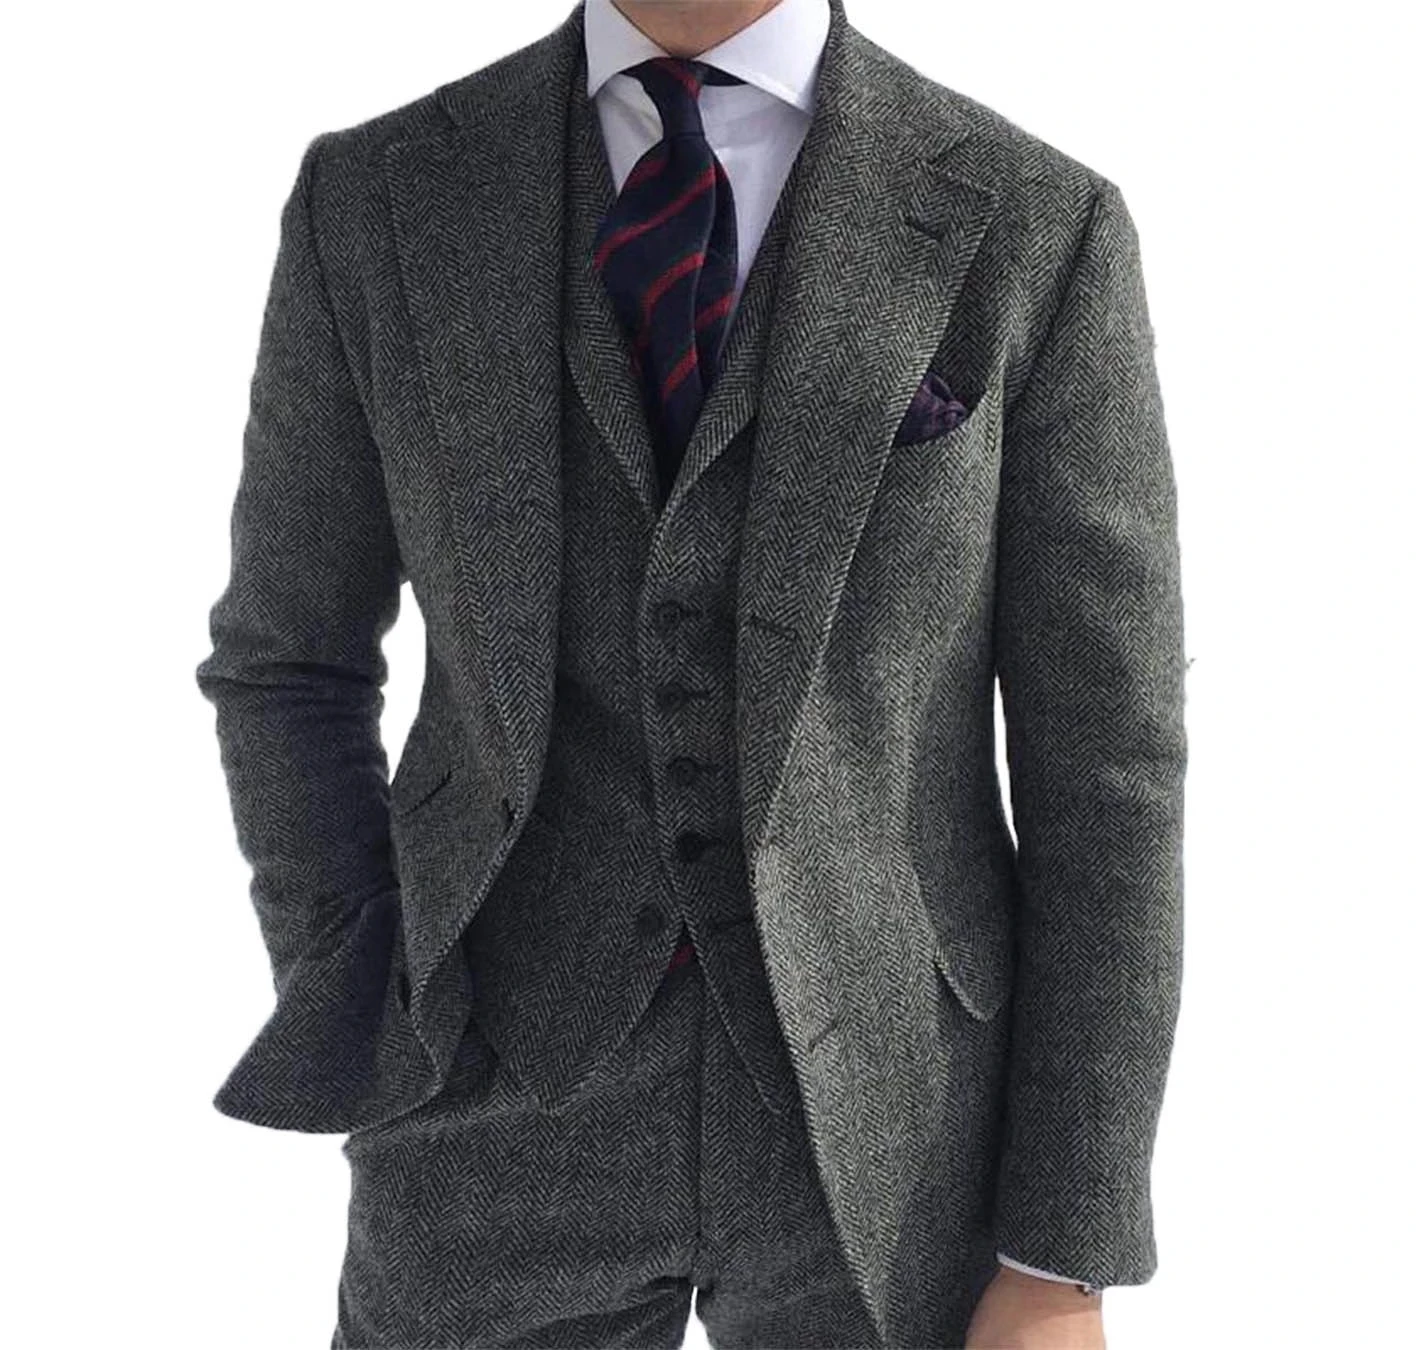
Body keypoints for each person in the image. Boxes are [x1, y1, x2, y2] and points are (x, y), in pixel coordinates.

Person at [194, 1, 1187, 1345]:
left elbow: (1106, 765)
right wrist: (367, 993)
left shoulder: (1038, 224)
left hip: (901, 1132)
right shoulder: (378, 198)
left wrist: (1063, 1253)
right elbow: (288, 659)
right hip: (488, 1108)